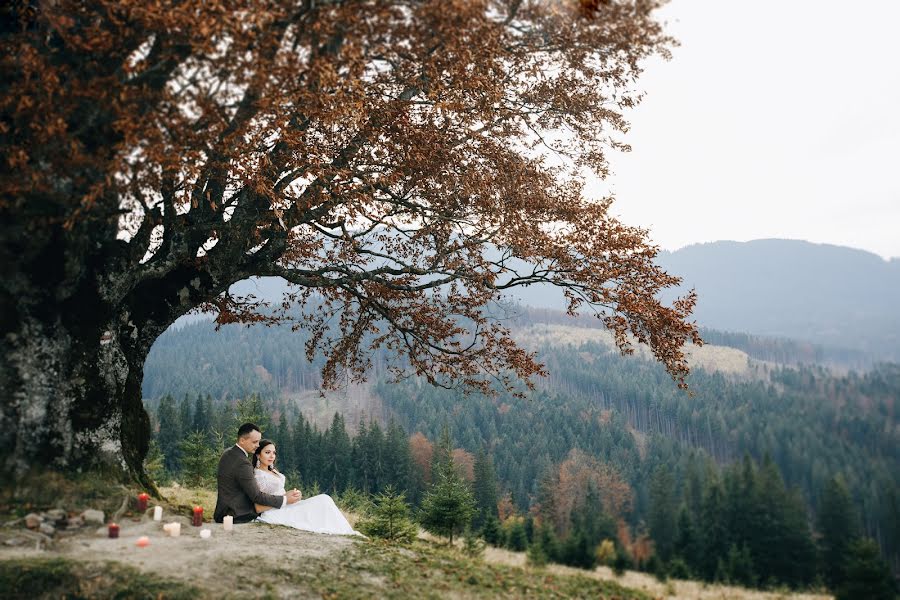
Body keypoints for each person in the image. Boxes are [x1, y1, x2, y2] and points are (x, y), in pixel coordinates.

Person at [253, 439, 362, 536]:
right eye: (267, 452)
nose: (272, 456)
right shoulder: (259, 475)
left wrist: (294, 496)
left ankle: (345, 530)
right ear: (258, 455)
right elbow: (259, 506)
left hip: (286, 505)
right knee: (323, 500)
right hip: (276, 511)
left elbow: (281, 492)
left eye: (274, 453)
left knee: (324, 499)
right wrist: (285, 498)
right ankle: (343, 531)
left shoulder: (272, 471)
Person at [213, 423, 302, 523]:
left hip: (223, 510)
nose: (258, 445)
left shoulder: (228, 452)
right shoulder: (243, 463)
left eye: (259, 441)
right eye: (255, 442)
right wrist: (285, 499)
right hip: (236, 514)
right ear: (242, 440)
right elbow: (256, 496)